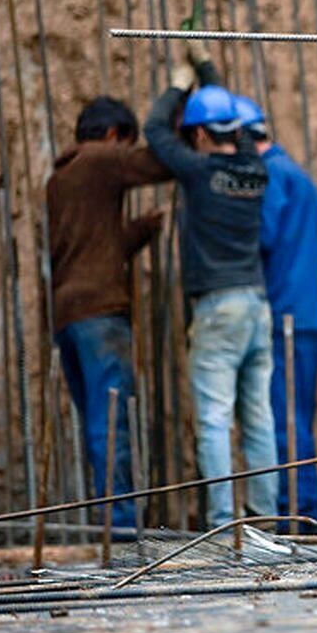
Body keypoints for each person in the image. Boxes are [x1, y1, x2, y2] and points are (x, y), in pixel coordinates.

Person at [143, 40, 278, 528]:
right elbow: (233, 125)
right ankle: (263, 517)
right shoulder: (255, 169)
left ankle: (223, 522)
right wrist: (206, 68)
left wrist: (181, 82)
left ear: (198, 133)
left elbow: (155, 131)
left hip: (218, 308)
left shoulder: (200, 173)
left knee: (215, 418)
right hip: (256, 305)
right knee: (258, 417)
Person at [47, 97, 170, 529]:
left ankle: (110, 517)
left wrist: (143, 229)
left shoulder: (61, 176)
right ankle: (118, 522)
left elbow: (96, 247)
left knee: (95, 419)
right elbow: (159, 164)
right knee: (111, 419)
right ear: (115, 135)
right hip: (100, 312)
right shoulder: (100, 159)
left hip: (67, 313)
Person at [233, 95, 317, 524]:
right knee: (297, 415)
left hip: (284, 315)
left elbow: (263, 236)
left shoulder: (270, 176)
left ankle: (299, 515)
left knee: (284, 419)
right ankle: (302, 510)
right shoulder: (301, 177)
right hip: (309, 313)